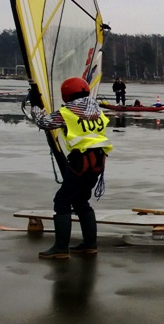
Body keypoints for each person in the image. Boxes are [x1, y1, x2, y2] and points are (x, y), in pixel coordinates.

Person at [31, 77, 113, 259]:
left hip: (80, 161)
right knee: (81, 201)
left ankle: (60, 249)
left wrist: (36, 107)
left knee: (62, 201)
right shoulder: (98, 110)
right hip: (98, 161)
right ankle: (90, 245)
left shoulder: (68, 111)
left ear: (66, 94)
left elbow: (43, 123)